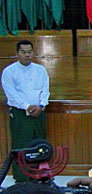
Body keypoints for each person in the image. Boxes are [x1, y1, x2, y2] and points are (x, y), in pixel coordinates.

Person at [1, 40, 50, 182]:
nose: (27, 55)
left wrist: (41, 105)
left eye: (30, 52)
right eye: (23, 52)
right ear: (17, 53)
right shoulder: (9, 72)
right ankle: (22, 179)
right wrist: (27, 106)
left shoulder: (40, 70)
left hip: (39, 113)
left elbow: (45, 90)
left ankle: (40, 176)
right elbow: (11, 94)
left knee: (39, 145)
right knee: (21, 146)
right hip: (20, 114)